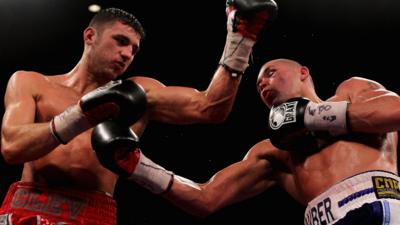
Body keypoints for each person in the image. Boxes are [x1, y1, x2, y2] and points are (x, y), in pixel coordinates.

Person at [0, 2, 278, 225]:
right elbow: (12, 147)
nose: (126, 54)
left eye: (133, 50)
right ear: (90, 36)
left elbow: (210, 108)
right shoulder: (31, 82)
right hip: (30, 203)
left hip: (93, 211)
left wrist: (240, 41)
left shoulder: (136, 94)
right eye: (120, 41)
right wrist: (82, 115)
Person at [96, 58, 400, 225]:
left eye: (270, 73)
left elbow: (395, 111)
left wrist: (313, 116)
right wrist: (138, 167)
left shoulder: (351, 91)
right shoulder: (273, 152)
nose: (264, 83)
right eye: (258, 84)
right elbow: (206, 198)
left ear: (303, 72)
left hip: (377, 206)